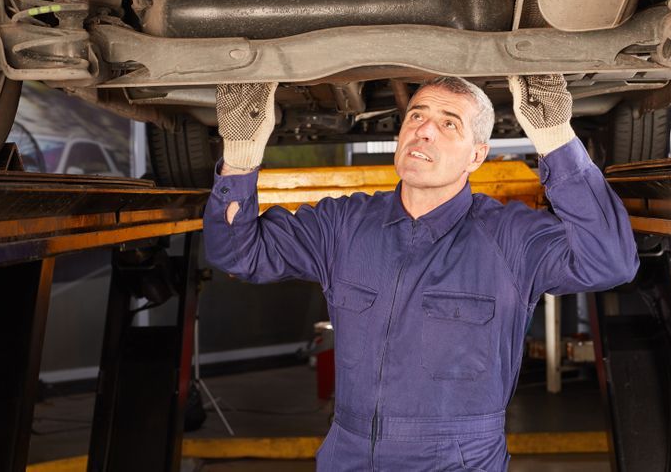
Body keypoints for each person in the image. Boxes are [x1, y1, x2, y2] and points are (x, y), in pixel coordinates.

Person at [203, 75, 638, 472]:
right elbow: (238, 255)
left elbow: (611, 261)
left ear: (477, 155)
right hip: (348, 453)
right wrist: (241, 152)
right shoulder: (344, 225)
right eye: (416, 115)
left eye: (449, 124)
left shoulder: (510, 237)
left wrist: (556, 137)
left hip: (457, 460)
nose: (424, 130)